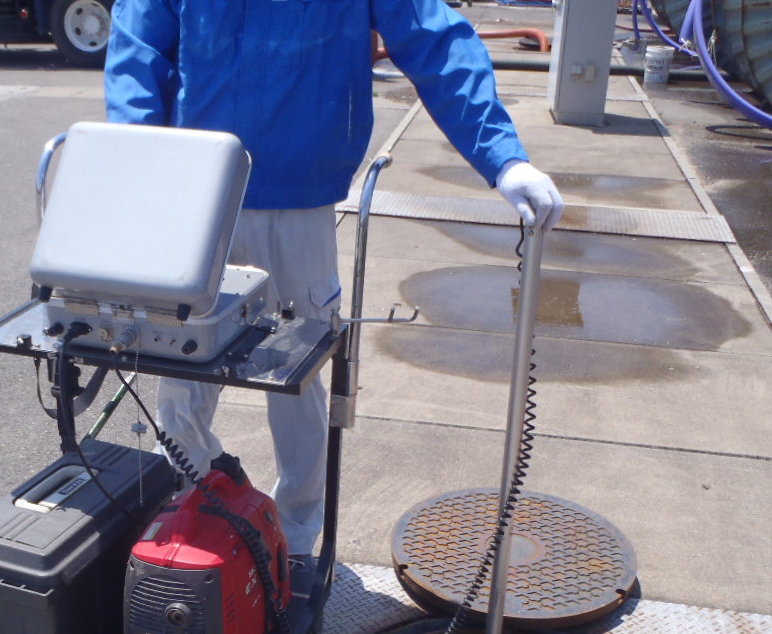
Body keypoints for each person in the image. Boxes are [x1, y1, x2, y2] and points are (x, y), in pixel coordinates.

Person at [105, 0, 563, 560]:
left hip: (300, 197)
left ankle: (296, 541)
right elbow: (139, 48)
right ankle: (189, 511)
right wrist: (138, 161)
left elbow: (433, 37)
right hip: (199, 188)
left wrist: (502, 155)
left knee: (298, 373)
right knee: (182, 364)